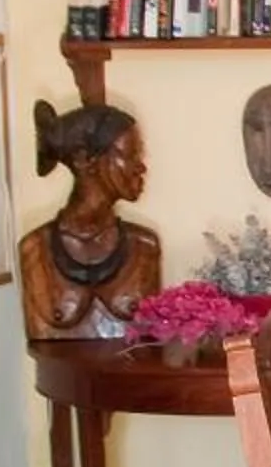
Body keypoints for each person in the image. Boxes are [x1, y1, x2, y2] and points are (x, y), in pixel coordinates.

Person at [19, 101, 164, 339]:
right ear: (85, 159)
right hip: (62, 377)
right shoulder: (35, 249)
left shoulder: (145, 246)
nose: (140, 167)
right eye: (130, 154)